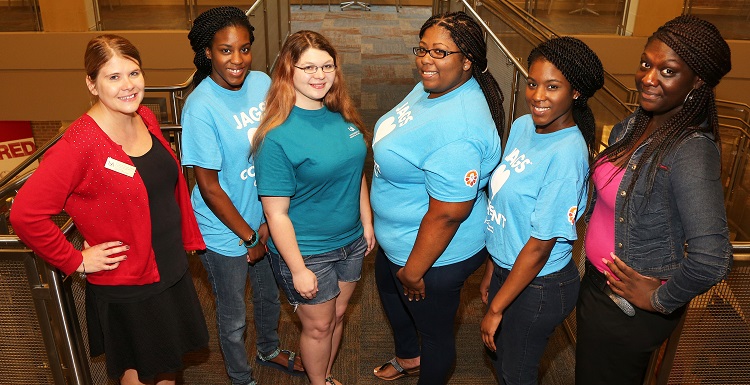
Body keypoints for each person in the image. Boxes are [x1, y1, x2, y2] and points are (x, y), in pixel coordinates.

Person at [10, 34, 209, 385]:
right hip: (130, 281)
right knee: (141, 372)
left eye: (133, 73)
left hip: (169, 266)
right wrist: (76, 260)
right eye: (113, 77)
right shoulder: (78, 144)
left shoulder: (144, 116)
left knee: (167, 364)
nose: (128, 86)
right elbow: (25, 214)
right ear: (91, 83)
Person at [575, 15, 733, 385]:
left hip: (628, 309)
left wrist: (660, 298)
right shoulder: (631, 125)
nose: (649, 78)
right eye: (647, 64)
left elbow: (713, 259)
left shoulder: (691, 151)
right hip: (599, 286)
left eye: (668, 71)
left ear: (698, 83)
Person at [370, 11, 503, 385]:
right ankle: (407, 359)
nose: (427, 60)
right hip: (400, 238)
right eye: (423, 49)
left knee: (435, 336)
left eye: (441, 52)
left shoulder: (458, 127)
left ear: (467, 61)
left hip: (433, 258)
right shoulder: (435, 86)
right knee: (393, 303)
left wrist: (414, 271)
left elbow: (447, 214)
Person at [180, 7, 304, 385]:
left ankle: (269, 349)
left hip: (264, 218)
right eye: (226, 51)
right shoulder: (200, 107)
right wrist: (249, 236)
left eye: (245, 49)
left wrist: (267, 219)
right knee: (233, 316)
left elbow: (275, 150)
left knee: (269, 297)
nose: (237, 60)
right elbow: (209, 186)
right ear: (207, 53)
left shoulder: (261, 82)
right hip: (224, 231)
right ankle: (240, 377)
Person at [478, 36, 604, 385]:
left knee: (515, 374)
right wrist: (492, 269)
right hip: (509, 269)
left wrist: (497, 307)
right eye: (533, 83)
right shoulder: (522, 126)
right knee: (505, 365)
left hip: (540, 284)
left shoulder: (567, 154)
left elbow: (539, 246)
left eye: (553, 87)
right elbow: (504, 209)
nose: (537, 96)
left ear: (575, 92)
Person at [252, 30, 375, 385]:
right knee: (319, 325)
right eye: (308, 67)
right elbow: (276, 214)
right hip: (307, 251)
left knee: (336, 316)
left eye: (327, 66)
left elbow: (355, 173)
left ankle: (325, 375)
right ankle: (318, 382)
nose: (319, 75)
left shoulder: (342, 115)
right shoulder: (276, 137)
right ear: (288, 71)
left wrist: (366, 222)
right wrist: (298, 269)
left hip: (351, 242)